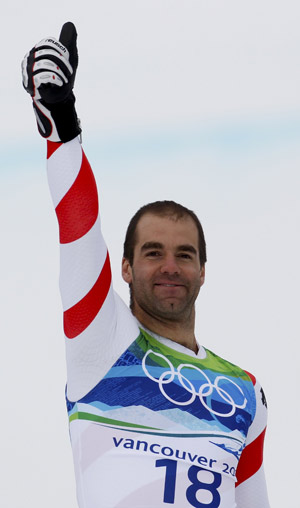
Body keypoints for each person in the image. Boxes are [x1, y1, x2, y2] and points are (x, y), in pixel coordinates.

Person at [22, 22, 270, 508]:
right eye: (153, 252)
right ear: (127, 269)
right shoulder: (102, 342)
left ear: (203, 270)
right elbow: (78, 230)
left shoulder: (247, 393)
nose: (170, 266)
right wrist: (61, 130)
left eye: (185, 254)